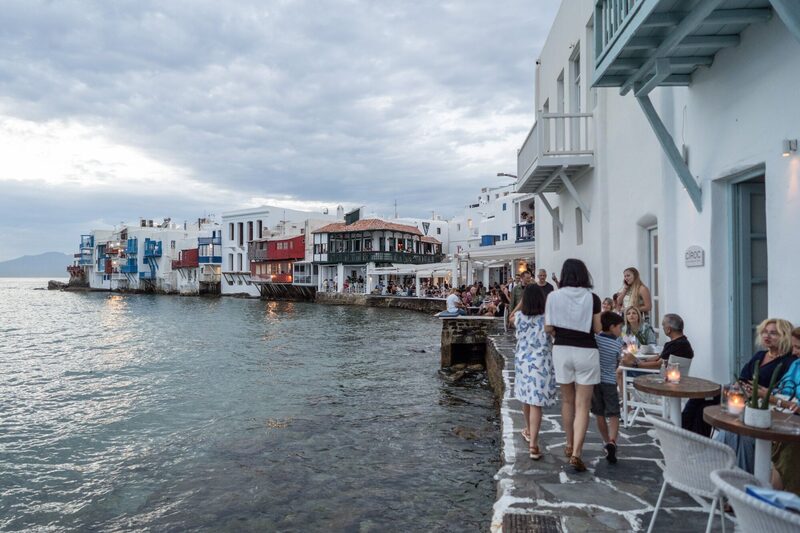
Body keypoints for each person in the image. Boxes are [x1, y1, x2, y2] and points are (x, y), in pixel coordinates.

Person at [715, 318, 795, 473]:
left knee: (738, 433)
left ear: (784, 336)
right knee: (728, 429)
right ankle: (724, 473)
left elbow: (781, 391)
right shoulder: (760, 355)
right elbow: (743, 378)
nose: (767, 336)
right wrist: (740, 387)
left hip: (765, 412)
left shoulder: (789, 362)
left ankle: (736, 479)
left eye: (773, 333)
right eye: (765, 332)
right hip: (746, 406)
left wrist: (758, 391)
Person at [544, 259, 602, 472]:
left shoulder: (553, 296)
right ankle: (577, 452)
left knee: (567, 401)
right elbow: (597, 328)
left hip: (562, 350)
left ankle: (568, 444)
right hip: (587, 351)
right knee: (583, 405)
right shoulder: (592, 298)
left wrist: (558, 331)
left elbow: (548, 327)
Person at [509, 284, 556, 460]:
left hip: (522, 363)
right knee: (536, 403)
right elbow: (554, 334)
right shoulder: (547, 319)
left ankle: (529, 432)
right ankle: (533, 445)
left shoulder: (519, 318)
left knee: (526, 398)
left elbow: (510, 317)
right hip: (541, 364)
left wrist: (519, 303)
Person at [593, 311, 625, 464]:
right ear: (612, 327)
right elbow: (619, 361)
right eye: (620, 327)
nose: (621, 330)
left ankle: (606, 441)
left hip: (595, 381)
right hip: (610, 382)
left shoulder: (596, 340)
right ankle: (612, 441)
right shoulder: (618, 343)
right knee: (613, 414)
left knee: (599, 413)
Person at [771, 327, 800, 494]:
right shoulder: (796, 364)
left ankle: (777, 505)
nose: (794, 352)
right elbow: (779, 390)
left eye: (798, 348)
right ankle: (739, 493)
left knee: (786, 447)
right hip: (784, 417)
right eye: (794, 346)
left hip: (792, 424)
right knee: (740, 434)